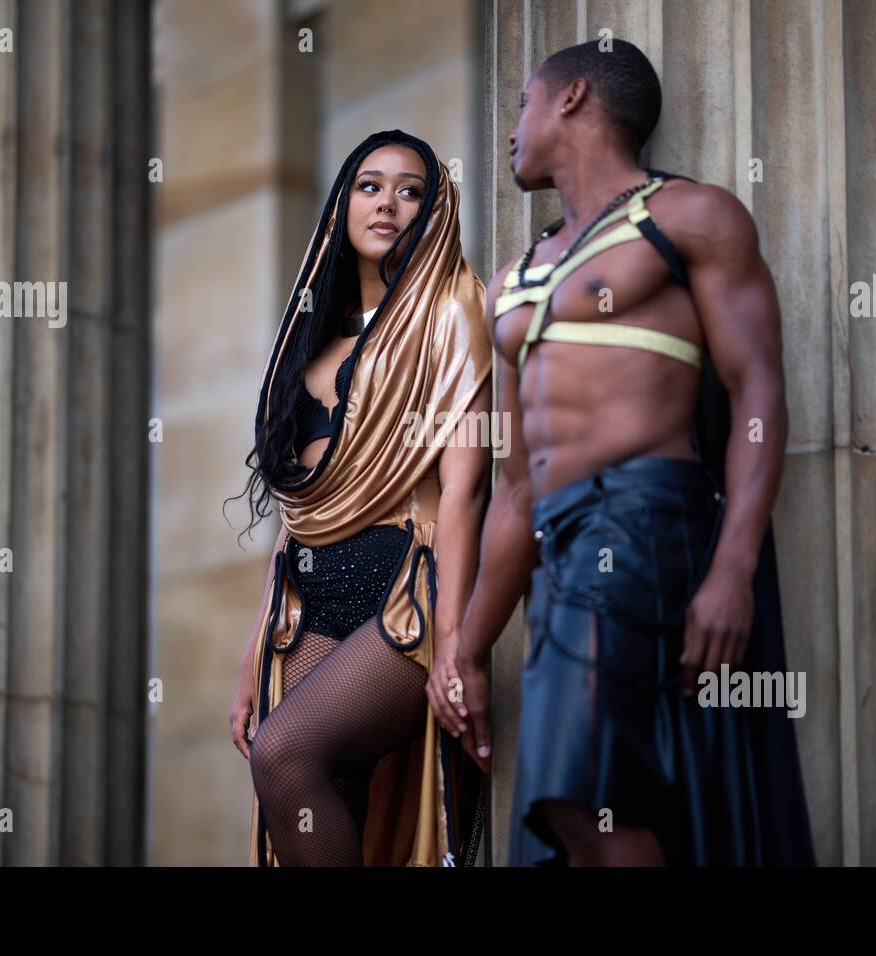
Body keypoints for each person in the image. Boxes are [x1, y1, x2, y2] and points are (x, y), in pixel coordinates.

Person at [435, 40, 815, 865]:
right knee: (576, 815)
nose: (511, 132)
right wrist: (464, 645)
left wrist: (732, 570)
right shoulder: (510, 284)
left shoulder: (688, 217)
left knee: (577, 793)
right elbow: (514, 492)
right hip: (559, 552)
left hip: (643, 520)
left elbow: (757, 396)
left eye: (524, 104)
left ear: (572, 98)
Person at [229, 130, 492, 867]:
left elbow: (466, 486)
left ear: (434, 210)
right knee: (322, 790)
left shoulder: (451, 310)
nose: (388, 203)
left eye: (411, 190)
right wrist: (253, 655)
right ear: (343, 202)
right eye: (370, 185)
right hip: (308, 595)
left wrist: (457, 642)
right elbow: (296, 516)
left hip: (405, 592)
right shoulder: (311, 337)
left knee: (284, 753)